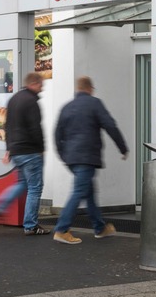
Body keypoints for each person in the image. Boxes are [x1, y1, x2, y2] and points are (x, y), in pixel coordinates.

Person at [51, 76, 128, 245]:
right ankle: (62, 229)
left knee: (89, 192)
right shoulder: (95, 103)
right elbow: (111, 126)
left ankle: (100, 228)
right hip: (86, 157)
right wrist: (123, 148)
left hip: (71, 158)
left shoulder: (66, 107)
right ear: (90, 89)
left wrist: (63, 156)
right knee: (79, 191)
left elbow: (57, 135)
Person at [0, 72, 49, 235]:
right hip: (30, 151)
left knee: (22, 184)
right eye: (41, 84)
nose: (42, 87)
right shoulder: (31, 101)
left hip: (16, 151)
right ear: (34, 83)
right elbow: (35, 128)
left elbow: (7, 126)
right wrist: (41, 148)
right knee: (35, 188)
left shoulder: (14, 99)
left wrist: (9, 149)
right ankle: (31, 225)